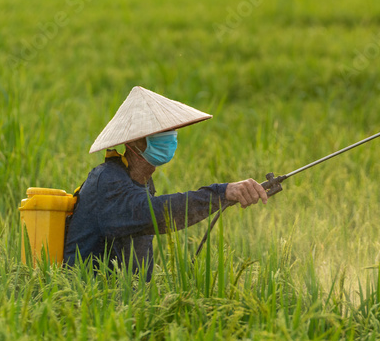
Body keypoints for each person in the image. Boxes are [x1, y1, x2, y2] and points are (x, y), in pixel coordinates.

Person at [63, 86, 267, 279]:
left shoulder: (142, 182)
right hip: (86, 299)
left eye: (169, 131)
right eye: (159, 133)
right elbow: (155, 214)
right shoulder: (107, 181)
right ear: (133, 142)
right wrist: (220, 193)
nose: (169, 137)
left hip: (124, 300)